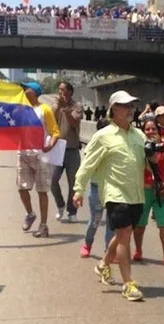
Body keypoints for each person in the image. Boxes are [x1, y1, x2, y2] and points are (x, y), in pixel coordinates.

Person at [72, 90, 147, 302]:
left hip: (136, 195)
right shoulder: (103, 136)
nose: (130, 109)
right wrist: (78, 189)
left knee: (123, 235)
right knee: (124, 237)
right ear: (114, 108)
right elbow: (88, 165)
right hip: (115, 194)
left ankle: (103, 264)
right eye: (125, 105)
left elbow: (150, 163)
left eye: (131, 105)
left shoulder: (139, 136)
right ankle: (128, 284)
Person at [132, 117, 164, 267]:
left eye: (153, 129)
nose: (150, 131)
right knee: (140, 224)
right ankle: (138, 251)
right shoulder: (138, 145)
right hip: (143, 190)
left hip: (161, 190)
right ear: (143, 131)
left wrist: (158, 147)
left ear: (159, 132)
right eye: (147, 129)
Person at [17, 81, 60, 238]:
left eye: (26, 88)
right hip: (23, 153)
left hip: (40, 155)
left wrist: (50, 145)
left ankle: (43, 225)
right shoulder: (20, 110)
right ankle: (30, 213)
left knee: (42, 191)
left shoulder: (45, 110)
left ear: (33, 92)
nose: (23, 90)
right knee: (22, 188)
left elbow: (55, 132)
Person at [80, 117, 114, 258]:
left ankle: (108, 251)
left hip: (112, 188)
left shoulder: (116, 143)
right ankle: (87, 244)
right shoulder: (94, 144)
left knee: (112, 223)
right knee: (95, 220)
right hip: (96, 187)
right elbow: (86, 166)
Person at [51, 81, 84, 223]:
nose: (60, 92)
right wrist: (58, 107)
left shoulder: (77, 106)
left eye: (62, 90)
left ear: (70, 92)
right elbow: (50, 120)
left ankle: (72, 211)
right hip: (58, 148)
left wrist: (66, 109)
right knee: (52, 181)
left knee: (73, 183)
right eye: (58, 90)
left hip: (72, 149)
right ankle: (60, 205)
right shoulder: (56, 104)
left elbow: (74, 123)